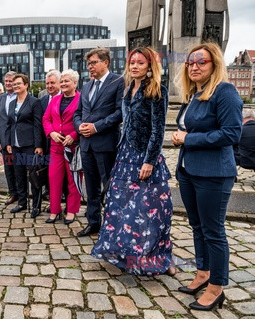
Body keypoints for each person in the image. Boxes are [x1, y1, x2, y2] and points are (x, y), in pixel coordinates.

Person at [171, 42, 243, 311]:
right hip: (189, 170)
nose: (195, 66)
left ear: (214, 64)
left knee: (214, 232)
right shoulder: (193, 95)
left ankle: (216, 287)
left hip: (214, 173)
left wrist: (189, 138)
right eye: (191, 62)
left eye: (201, 61)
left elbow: (231, 134)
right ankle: (202, 273)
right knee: (197, 226)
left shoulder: (225, 92)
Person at [91, 47, 174, 276]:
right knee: (121, 208)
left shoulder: (157, 90)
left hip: (144, 157)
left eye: (140, 62)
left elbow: (158, 131)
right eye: (132, 62)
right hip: (125, 155)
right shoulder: (128, 90)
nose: (135, 66)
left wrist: (149, 161)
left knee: (150, 209)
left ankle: (158, 255)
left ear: (150, 66)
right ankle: (125, 252)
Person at [73, 46, 124, 237]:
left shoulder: (118, 81)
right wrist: (79, 126)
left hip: (106, 143)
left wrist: (97, 127)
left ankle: (113, 227)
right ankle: (94, 223)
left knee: (110, 187)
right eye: (88, 63)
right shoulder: (86, 86)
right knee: (91, 187)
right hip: (86, 145)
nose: (90, 67)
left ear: (106, 62)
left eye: (94, 62)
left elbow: (120, 112)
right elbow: (78, 113)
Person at [42, 69, 82, 224]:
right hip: (56, 147)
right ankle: (55, 210)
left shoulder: (81, 99)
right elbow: (46, 119)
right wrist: (51, 132)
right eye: (62, 81)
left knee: (73, 180)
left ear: (75, 83)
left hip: (73, 148)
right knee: (54, 179)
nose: (64, 84)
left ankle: (71, 211)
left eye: (67, 81)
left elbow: (84, 119)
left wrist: (74, 134)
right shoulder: (55, 100)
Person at [6, 74, 44, 214]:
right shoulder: (12, 103)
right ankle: (22, 203)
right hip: (15, 145)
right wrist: (9, 142)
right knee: (19, 175)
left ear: (26, 85)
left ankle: (36, 205)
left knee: (33, 176)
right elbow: (10, 124)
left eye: (18, 84)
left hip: (30, 145)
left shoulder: (34, 102)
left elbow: (37, 125)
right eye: (14, 84)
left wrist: (38, 145)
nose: (15, 86)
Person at [0, 71, 19, 205]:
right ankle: (13, 193)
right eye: (7, 81)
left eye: (11, 81)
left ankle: (22, 194)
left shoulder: (21, 97)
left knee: (19, 169)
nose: (9, 83)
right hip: (3, 141)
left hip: (17, 139)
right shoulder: (0, 98)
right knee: (8, 169)